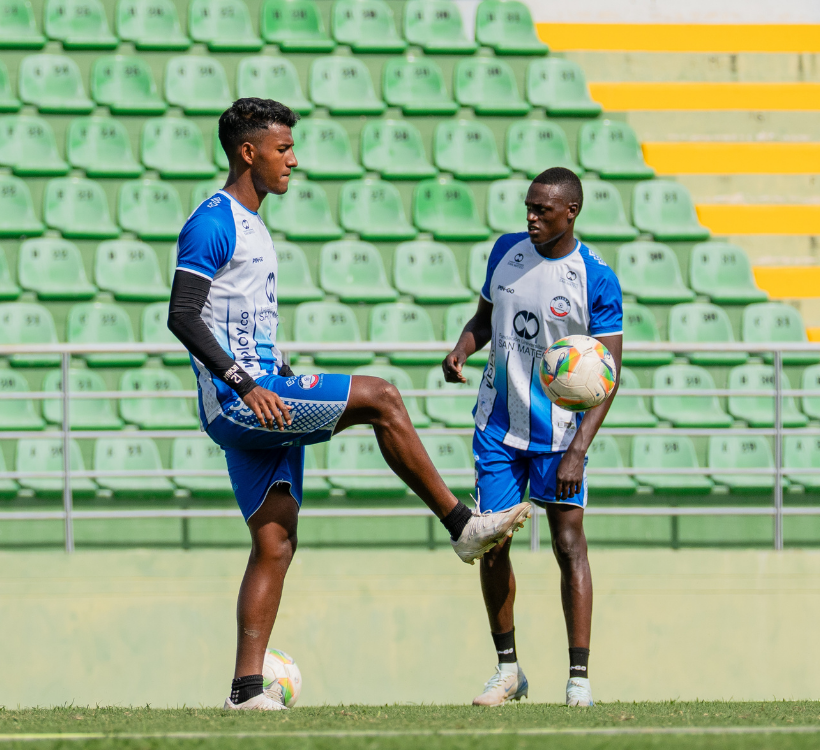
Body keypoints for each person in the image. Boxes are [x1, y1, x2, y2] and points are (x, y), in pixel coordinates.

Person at [167, 98, 533, 710]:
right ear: (247, 152)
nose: (294, 159)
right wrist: (246, 383)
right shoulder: (213, 220)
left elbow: (239, 316)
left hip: (259, 393)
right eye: (283, 149)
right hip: (242, 401)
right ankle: (460, 525)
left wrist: (270, 370)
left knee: (275, 542)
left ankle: (245, 690)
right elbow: (182, 314)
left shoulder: (254, 223)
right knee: (382, 397)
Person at [442, 167, 623, 708]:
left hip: (559, 436)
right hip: (498, 427)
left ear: (571, 212)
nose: (531, 217)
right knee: (491, 544)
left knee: (570, 548)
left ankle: (579, 680)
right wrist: (462, 349)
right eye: (528, 207)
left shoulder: (595, 277)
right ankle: (508, 672)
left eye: (543, 210)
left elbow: (609, 374)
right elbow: (483, 318)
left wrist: (578, 450)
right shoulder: (505, 252)